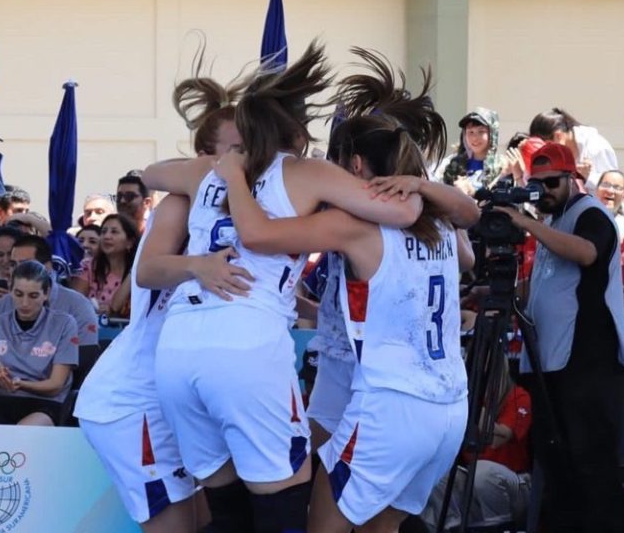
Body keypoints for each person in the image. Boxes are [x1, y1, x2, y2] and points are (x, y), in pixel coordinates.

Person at [140, 42, 477, 533]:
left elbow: (155, 177)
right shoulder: (443, 225)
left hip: (193, 347)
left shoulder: (340, 220)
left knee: (260, 506)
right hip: (442, 400)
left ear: (356, 166)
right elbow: (463, 229)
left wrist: (230, 174)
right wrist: (424, 188)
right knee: (322, 501)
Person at [77, 65, 249, 532]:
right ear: (203, 158)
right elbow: (149, 273)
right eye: (232, 149)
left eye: (247, 147)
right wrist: (201, 266)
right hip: (132, 403)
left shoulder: (245, 205)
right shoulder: (180, 203)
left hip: (171, 400)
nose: (243, 158)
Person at [494, 141, 624, 533]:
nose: (545, 192)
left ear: (572, 178)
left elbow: (587, 253)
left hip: (587, 364)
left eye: (552, 183)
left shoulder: (592, 213)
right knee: (559, 466)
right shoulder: (553, 223)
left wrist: (525, 223)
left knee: (592, 467)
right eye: (538, 185)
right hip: (554, 363)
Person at [0, 260, 78, 426]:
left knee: (23, 434)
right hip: (2, 401)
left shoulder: (64, 324)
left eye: (33, 296)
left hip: (47, 404)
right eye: (18, 294)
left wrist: (20, 384)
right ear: (10, 290)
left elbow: (56, 385)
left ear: (46, 293)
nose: (25, 303)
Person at [420, 360, 532, 532]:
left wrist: (473, 408)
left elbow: (498, 439)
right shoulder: (460, 399)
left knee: (483, 472)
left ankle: (498, 528)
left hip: (516, 483)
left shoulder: (518, 396)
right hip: (473, 482)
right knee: (434, 470)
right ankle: (450, 526)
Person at [0, 235, 99, 347]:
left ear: (47, 267)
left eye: (26, 264)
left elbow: (86, 355)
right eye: (13, 265)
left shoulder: (77, 306)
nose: (17, 271)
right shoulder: (4, 304)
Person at [529, 107, 618, 192]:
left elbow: (615, 187)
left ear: (558, 136)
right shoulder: (559, 154)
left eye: (546, 146)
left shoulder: (597, 146)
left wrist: (588, 177)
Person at [72, 213, 138, 316]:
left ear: (130, 242)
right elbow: (75, 304)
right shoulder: (87, 266)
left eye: (114, 232)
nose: (107, 236)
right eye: (103, 232)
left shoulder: (139, 271)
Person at [434, 107, 500, 195]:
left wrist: (472, 193)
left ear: (492, 134)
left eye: (481, 132)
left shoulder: (501, 167)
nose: (475, 138)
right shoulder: (450, 164)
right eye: (470, 132)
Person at [594, 169, 624, 239]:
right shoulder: (580, 218)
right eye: (605, 185)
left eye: (617, 188)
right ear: (596, 189)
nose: (610, 191)